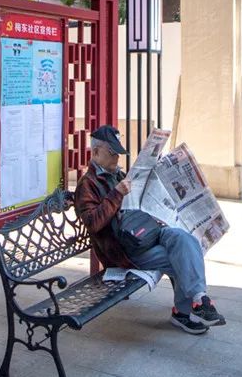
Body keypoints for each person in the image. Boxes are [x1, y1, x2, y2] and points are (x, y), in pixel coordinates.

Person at [74, 125, 227, 334]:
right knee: (180, 257)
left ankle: (200, 299)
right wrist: (116, 194)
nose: (117, 157)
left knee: (185, 239)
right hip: (125, 248)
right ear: (96, 152)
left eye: (119, 153)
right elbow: (92, 222)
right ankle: (183, 313)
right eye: (113, 153)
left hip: (147, 231)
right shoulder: (87, 185)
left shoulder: (117, 175)